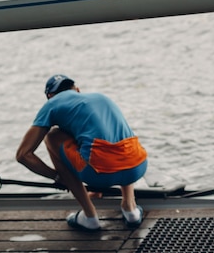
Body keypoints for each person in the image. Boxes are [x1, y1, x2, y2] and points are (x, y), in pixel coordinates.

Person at [16, 74, 148, 231]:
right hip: (138, 167)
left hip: (98, 174)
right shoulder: (101, 97)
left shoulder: (52, 104)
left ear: (49, 96)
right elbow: (101, 141)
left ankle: (89, 216)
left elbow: (23, 155)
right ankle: (130, 208)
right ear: (77, 90)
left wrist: (57, 177)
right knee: (116, 136)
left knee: (52, 136)